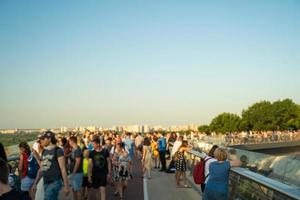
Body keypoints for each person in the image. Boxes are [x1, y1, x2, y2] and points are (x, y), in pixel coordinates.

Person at [32, 131, 70, 200]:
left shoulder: (58, 151)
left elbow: (63, 169)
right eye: (41, 139)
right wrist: (35, 183)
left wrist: (66, 186)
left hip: (55, 182)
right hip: (46, 183)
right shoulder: (44, 151)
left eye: (43, 139)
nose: (41, 141)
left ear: (49, 139)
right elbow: (42, 168)